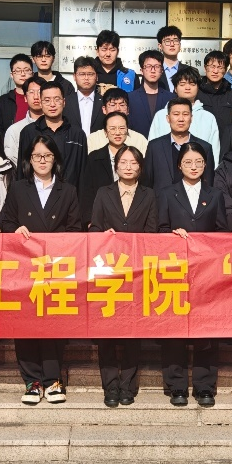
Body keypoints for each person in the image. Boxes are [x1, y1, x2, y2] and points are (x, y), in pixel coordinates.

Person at [0, 135, 83, 405]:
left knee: (54, 324)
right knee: (26, 323)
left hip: (57, 268)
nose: (42, 161)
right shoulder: (18, 188)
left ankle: (53, 380)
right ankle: (32, 381)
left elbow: (76, 229)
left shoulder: (68, 191)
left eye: (47, 156)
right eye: (37, 156)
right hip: (25, 267)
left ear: (55, 159)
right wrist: (16, 229)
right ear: (29, 160)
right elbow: (4, 221)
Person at [157, 142, 227, 407]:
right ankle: (176, 385)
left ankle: (204, 386)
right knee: (175, 329)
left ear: (205, 165)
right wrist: (171, 235)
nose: (194, 166)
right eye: (188, 162)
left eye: (198, 162)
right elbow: (158, 229)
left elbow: (222, 232)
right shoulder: (167, 194)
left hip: (206, 273)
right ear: (179, 166)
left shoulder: (215, 194)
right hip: (175, 271)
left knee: (206, 329)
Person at [89, 146, 157, 407]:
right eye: (123, 162)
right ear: (115, 165)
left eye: (133, 162)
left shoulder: (149, 195)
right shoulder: (103, 193)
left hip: (136, 272)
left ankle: (128, 385)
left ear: (140, 167)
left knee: (132, 330)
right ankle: (110, 385)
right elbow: (94, 227)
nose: (128, 167)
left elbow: (152, 232)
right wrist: (103, 235)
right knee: (105, 330)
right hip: (109, 271)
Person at [16, 82, 87, 190]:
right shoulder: (29, 132)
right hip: (36, 195)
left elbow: (83, 173)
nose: (52, 104)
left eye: (57, 99)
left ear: (64, 102)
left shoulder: (77, 134)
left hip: (69, 195)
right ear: (41, 103)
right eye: (47, 100)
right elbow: (23, 170)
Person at [142, 99, 215, 189]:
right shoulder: (154, 146)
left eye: (185, 114)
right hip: (160, 197)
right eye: (176, 114)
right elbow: (147, 183)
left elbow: (208, 184)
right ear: (168, 118)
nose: (181, 119)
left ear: (191, 118)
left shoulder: (205, 147)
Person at [147, 66, 220, 151]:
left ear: (198, 88)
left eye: (192, 84)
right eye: (182, 84)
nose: (187, 88)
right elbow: (152, 147)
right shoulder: (161, 115)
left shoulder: (208, 117)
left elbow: (214, 150)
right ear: (175, 88)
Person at [79, 111, 133, 224]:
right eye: (112, 129)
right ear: (105, 132)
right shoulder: (94, 158)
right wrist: (90, 221)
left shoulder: (135, 157)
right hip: (101, 219)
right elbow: (87, 192)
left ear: (127, 130)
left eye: (122, 128)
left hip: (130, 219)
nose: (117, 132)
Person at [196, 50, 232, 153]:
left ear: (225, 70)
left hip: (227, 151)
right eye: (212, 66)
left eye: (220, 67)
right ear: (205, 68)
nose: (215, 71)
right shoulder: (195, 94)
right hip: (198, 150)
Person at [86, 88, 148, 155]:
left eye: (122, 105)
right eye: (113, 105)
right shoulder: (93, 140)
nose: (117, 109)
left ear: (128, 110)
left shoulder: (139, 140)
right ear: (104, 109)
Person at [127, 50, 173, 135]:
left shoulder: (171, 98)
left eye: (157, 66)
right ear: (141, 70)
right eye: (148, 66)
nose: (153, 70)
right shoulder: (130, 98)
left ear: (162, 70)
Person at [0, 53, 35, 140]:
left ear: (32, 74)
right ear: (11, 74)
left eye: (26, 70)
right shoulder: (4, 101)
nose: (23, 74)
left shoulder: (40, 98)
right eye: (18, 71)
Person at [3, 77, 45, 165]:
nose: (36, 97)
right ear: (25, 98)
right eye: (31, 92)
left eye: (39, 92)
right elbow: (12, 160)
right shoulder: (14, 130)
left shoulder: (55, 126)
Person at [64, 56, 106, 136]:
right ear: (74, 76)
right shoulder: (65, 102)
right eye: (82, 74)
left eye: (90, 74)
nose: (86, 78)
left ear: (97, 77)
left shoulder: (104, 102)